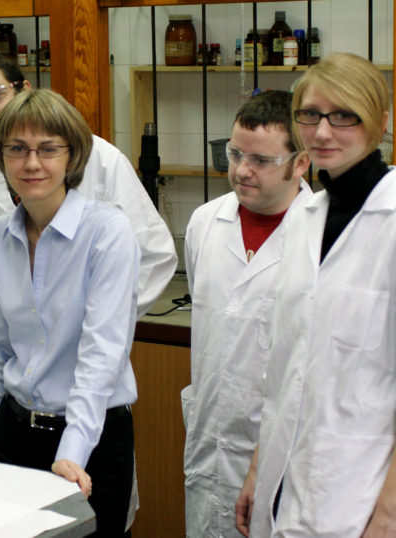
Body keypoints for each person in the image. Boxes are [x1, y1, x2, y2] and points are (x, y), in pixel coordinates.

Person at [0, 54, 177, 460]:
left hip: (87, 397)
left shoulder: (100, 161)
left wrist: (91, 322)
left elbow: (154, 255)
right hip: (15, 398)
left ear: (23, 89)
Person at [235, 53, 395, 537]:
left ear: (381, 121)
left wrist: (388, 516)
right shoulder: (306, 217)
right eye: (310, 115)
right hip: (284, 481)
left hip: (359, 492)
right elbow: (286, 367)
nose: (323, 132)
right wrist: (259, 470)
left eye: (344, 115)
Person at [0, 88, 138, 537]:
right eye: (17, 149)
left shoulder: (107, 231)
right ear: (1, 157)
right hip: (16, 431)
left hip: (91, 436)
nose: (32, 163)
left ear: (72, 156)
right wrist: (3, 421)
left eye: (48, 149)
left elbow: (102, 353)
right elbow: (3, 345)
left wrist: (72, 451)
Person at [182, 90, 310, 538]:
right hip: (209, 444)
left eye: (261, 160)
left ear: (300, 163)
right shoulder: (204, 223)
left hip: (284, 457)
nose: (241, 170)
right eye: (235, 154)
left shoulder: (320, 237)